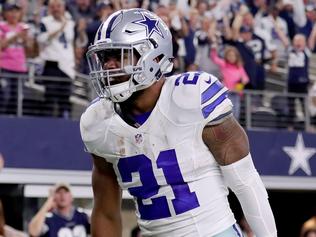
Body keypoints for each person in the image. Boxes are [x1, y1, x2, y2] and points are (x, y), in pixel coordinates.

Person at [80, 8, 277, 237]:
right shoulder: (98, 121)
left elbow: (246, 183)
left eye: (119, 55)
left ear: (153, 56)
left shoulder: (192, 97)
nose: (108, 66)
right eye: (105, 58)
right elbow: (105, 212)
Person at [37, 0, 75, 118]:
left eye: (58, 6)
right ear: (49, 8)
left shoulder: (70, 23)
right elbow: (41, 39)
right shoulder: (45, 22)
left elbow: (71, 42)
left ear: (64, 8)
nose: (56, 9)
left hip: (67, 66)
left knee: (65, 100)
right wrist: (60, 28)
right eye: (52, 7)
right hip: (52, 65)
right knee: (50, 99)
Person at [0, 2, 29, 115]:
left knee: (17, 100)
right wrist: (16, 36)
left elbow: (31, 51)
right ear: (5, 13)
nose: (14, 14)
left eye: (16, 11)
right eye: (11, 11)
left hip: (21, 69)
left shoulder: (24, 28)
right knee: (5, 98)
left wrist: (28, 40)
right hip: (5, 67)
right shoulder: (1, 26)